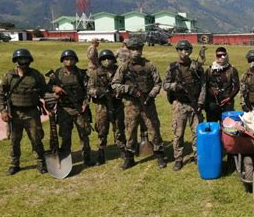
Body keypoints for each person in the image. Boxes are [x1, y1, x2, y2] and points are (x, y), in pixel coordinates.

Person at [111, 36, 165, 170]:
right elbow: (115, 84)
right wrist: (129, 89)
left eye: (138, 49)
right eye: (133, 49)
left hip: (147, 102)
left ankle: (159, 155)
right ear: (129, 50)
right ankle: (129, 158)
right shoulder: (124, 67)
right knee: (131, 130)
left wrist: (152, 94)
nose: (136, 52)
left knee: (154, 128)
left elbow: (158, 83)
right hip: (131, 104)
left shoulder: (149, 65)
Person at [0, 49, 47, 175]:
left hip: (32, 113)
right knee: (14, 140)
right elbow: (0, 94)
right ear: (16, 61)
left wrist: (51, 98)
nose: (23, 62)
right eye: (21, 59)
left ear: (30, 61)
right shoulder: (8, 76)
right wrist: (3, 111)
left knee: (36, 139)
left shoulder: (35, 75)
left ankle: (41, 162)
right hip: (14, 113)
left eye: (26, 59)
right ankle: (14, 164)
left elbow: (44, 90)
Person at [163, 40, 206, 171]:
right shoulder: (172, 67)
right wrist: (175, 86)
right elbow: (165, 85)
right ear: (177, 51)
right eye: (181, 50)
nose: (184, 52)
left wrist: (200, 102)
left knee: (197, 132)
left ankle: (197, 156)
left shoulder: (197, 67)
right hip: (180, 104)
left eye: (187, 50)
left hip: (194, 105)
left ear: (190, 51)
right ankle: (178, 158)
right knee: (178, 133)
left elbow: (203, 85)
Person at [47, 49, 94, 167]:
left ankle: (87, 158)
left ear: (75, 60)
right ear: (62, 60)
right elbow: (47, 88)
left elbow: (88, 90)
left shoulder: (81, 74)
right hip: (64, 109)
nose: (69, 61)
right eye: (66, 59)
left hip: (79, 109)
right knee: (65, 135)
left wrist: (85, 104)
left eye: (71, 59)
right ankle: (65, 159)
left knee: (84, 135)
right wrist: (55, 90)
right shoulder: (57, 74)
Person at [87, 49, 126, 165]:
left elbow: (126, 85)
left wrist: (118, 92)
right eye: (104, 59)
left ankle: (122, 149)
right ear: (100, 61)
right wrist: (99, 92)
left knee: (119, 127)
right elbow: (89, 89)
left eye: (109, 58)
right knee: (102, 129)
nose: (107, 61)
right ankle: (101, 152)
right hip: (102, 105)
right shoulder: (95, 73)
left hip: (117, 104)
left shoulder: (119, 71)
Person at [204, 47, 239, 122]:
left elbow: (237, 86)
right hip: (212, 104)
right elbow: (205, 85)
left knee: (227, 128)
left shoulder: (232, 70)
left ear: (226, 56)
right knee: (213, 128)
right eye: (218, 56)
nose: (220, 58)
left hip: (227, 104)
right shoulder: (209, 70)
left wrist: (229, 97)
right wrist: (211, 92)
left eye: (223, 55)